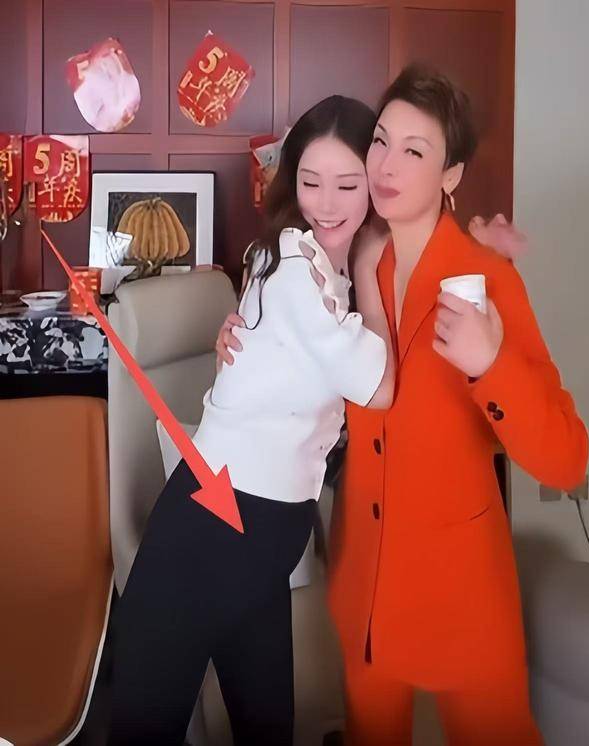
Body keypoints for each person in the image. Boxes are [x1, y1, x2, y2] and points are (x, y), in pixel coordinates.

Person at [219, 66, 588, 746]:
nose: (386, 165)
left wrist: (490, 365)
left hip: (461, 596)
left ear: (451, 175)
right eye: (381, 141)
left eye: (414, 151)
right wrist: (244, 339)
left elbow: (567, 461)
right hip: (364, 588)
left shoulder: (488, 280)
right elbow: (299, 368)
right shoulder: (345, 265)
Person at [107, 95, 395, 746]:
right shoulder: (294, 265)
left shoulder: (312, 264)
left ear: (372, 183)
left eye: (347, 184)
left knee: (257, 723)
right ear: (291, 182)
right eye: (311, 182)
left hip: (250, 523)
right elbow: (377, 388)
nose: (327, 204)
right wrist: (371, 269)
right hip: (222, 525)